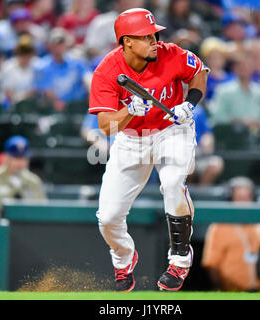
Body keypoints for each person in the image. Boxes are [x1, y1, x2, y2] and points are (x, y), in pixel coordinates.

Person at [89, 8, 209, 292]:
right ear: (127, 41)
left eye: (155, 34)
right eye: (146, 37)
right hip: (131, 139)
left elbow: (199, 73)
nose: (155, 40)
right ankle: (123, 258)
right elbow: (106, 126)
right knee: (107, 217)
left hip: (171, 130)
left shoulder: (170, 53)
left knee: (172, 183)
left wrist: (189, 104)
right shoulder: (107, 70)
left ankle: (180, 258)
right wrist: (129, 111)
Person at [201, 176, 260, 291]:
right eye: (240, 198)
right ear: (231, 199)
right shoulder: (219, 226)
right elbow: (212, 266)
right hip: (231, 291)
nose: (244, 203)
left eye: (247, 198)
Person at [0, 135, 46, 212]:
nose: (20, 163)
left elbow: (43, 212)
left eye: (23, 158)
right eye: (16, 158)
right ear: (6, 158)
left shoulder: (34, 181)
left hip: (27, 223)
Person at [33, 27, 91, 111]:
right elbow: (46, 90)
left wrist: (91, 94)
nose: (58, 47)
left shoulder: (77, 62)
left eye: (61, 43)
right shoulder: (42, 65)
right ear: (50, 45)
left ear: (66, 45)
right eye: (55, 44)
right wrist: (57, 102)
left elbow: (88, 78)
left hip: (76, 106)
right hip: (51, 108)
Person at [212, 51, 260, 130]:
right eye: (241, 66)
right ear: (235, 69)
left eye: (247, 65)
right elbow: (217, 116)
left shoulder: (259, 91)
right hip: (233, 135)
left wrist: (259, 122)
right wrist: (239, 121)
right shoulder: (224, 91)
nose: (245, 68)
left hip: (256, 135)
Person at [0, 34, 39, 108]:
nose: (26, 55)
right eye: (23, 51)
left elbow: (38, 89)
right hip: (9, 108)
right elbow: (8, 93)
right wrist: (23, 96)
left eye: (28, 51)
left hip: (31, 107)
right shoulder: (8, 67)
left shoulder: (37, 65)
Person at [190, 105, 224, 185]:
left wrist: (208, 141)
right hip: (180, 153)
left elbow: (207, 133)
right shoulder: (172, 108)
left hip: (199, 152)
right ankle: (185, 193)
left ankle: (201, 193)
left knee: (216, 163)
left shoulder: (198, 110)